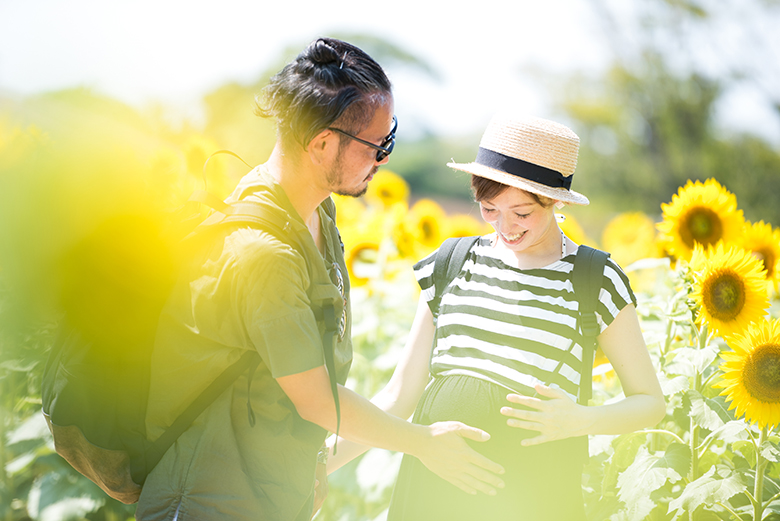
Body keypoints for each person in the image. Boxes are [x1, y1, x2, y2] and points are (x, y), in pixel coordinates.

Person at [134, 38, 504, 521]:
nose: (384, 159)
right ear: (322, 143)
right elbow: (314, 400)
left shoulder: (316, 215)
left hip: (269, 499)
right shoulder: (261, 253)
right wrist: (423, 443)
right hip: (209, 502)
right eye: (377, 145)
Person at [326, 114, 666, 520]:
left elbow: (650, 403)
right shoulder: (452, 263)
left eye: (522, 213)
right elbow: (399, 397)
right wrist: (318, 467)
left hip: (532, 497)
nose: (505, 227)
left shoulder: (594, 279)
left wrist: (580, 420)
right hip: (431, 494)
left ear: (556, 200)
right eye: (489, 209)